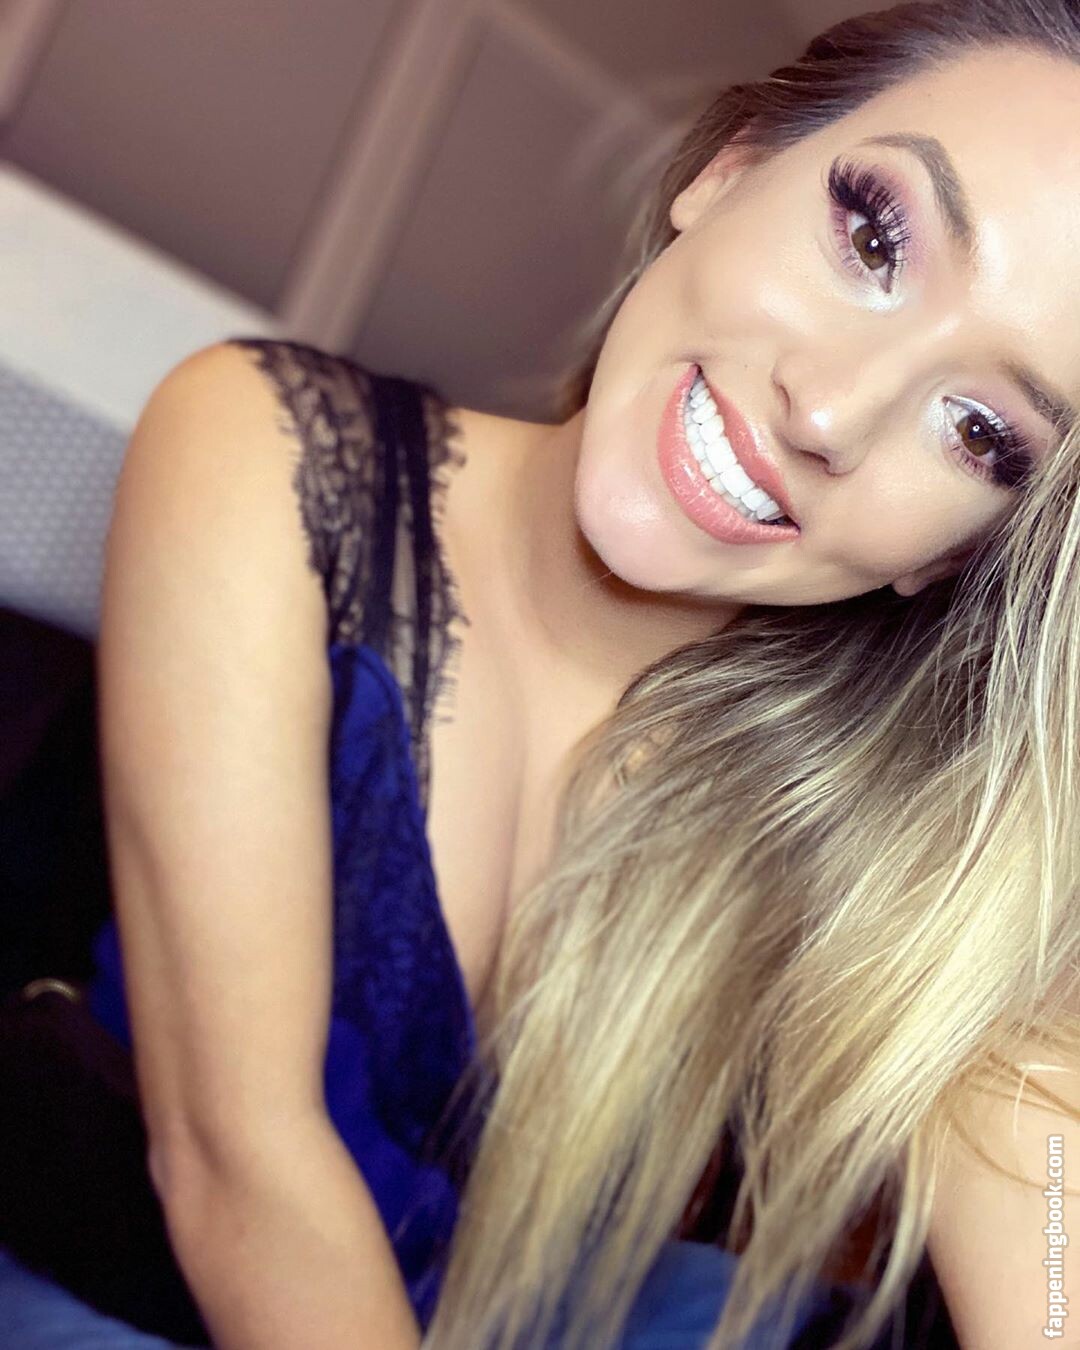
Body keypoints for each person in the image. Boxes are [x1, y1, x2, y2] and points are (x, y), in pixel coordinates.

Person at [4, 0, 1080, 1345]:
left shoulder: (882, 815)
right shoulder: (270, 452)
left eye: (980, 431)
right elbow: (242, 1166)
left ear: (960, 556)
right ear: (729, 172)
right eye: (875, 239)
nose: (829, 409)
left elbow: (1053, 1220)